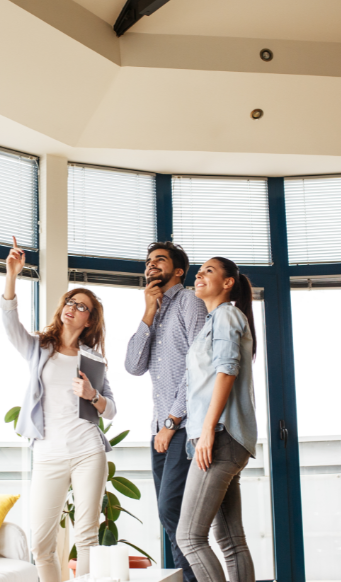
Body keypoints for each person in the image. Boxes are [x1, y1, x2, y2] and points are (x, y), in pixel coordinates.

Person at [1, 237, 117, 582]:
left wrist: (93, 394)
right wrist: (12, 275)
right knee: (40, 543)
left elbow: (110, 410)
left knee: (86, 538)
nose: (72, 307)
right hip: (48, 453)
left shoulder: (93, 358)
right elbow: (10, 324)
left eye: (81, 306)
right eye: (70, 301)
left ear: (89, 320)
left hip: (87, 451)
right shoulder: (39, 347)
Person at [125, 242, 207, 582]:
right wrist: (147, 311)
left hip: (184, 427)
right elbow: (132, 365)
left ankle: (197, 579)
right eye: (148, 261)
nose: (151, 265)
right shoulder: (154, 311)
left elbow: (201, 366)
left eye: (159, 260)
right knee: (173, 515)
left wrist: (173, 422)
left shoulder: (190, 301)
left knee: (174, 510)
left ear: (178, 271)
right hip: (160, 429)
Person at [175, 257, 258, 582]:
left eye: (208, 271)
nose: (199, 275)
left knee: (190, 537)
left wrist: (207, 430)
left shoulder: (226, 315)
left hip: (220, 437)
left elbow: (227, 370)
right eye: (199, 271)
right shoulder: (216, 320)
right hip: (227, 438)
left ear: (227, 283)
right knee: (230, 540)